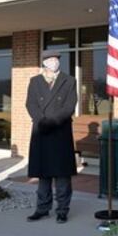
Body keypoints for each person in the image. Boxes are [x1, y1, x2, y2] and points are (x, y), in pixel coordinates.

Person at [25, 50, 77, 224]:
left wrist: (52, 121)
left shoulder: (69, 81)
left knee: (62, 175)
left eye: (57, 59)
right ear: (44, 62)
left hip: (60, 132)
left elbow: (69, 106)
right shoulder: (35, 81)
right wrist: (41, 121)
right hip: (41, 131)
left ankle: (62, 210)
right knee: (43, 175)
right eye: (51, 59)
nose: (55, 62)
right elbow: (30, 103)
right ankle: (42, 208)